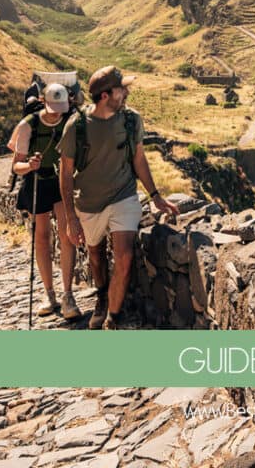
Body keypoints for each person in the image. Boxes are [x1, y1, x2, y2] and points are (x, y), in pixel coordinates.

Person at [58, 65, 179, 330]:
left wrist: (155, 196)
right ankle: (102, 295)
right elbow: (66, 173)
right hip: (88, 203)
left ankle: (113, 316)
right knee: (96, 255)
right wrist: (70, 218)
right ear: (105, 96)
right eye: (121, 89)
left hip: (124, 196)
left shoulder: (131, 120)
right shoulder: (76, 126)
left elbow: (139, 159)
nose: (126, 93)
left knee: (124, 255)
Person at [9, 83, 81, 320]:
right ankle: (48, 293)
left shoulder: (69, 121)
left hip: (60, 180)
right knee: (41, 236)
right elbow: (16, 166)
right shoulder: (27, 125)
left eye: (61, 108)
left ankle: (68, 294)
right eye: (53, 108)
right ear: (43, 101)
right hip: (37, 181)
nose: (57, 113)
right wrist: (29, 165)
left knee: (66, 233)